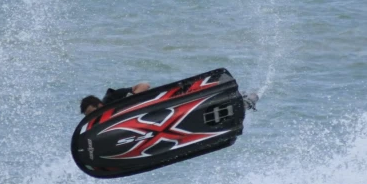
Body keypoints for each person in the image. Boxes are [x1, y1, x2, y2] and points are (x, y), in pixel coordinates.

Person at [79, 82, 258, 116]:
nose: (90, 117)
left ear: (99, 104)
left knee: (198, 103)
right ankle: (241, 105)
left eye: (90, 112)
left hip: (163, 102)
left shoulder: (112, 98)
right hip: (159, 117)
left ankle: (242, 97)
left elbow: (145, 85)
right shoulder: (103, 122)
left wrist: (132, 100)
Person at [80, 82, 150, 116]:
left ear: (100, 105)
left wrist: (130, 99)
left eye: (93, 113)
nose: (92, 117)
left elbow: (145, 85)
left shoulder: (112, 98)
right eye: (88, 116)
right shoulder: (95, 126)